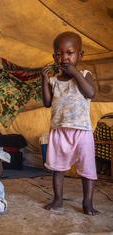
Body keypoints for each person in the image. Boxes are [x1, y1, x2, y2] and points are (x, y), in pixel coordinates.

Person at [41, 32, 98, 215]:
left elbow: (90, 93)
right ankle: (58, 199)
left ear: (80, 55)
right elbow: (47, 102)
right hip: (59, 131)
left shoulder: (85, 74)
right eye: (59, 54)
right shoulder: (54, 81)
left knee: (87, 169)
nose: (64, 57)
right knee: (58, 168)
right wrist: (44, 80)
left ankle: (87, 202)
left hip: (82, 131)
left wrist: (75, 74)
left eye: (70, 53)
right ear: (54, 57)